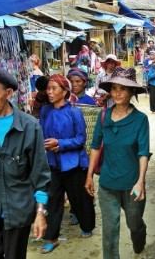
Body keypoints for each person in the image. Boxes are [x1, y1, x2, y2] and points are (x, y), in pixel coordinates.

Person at [0, 66, 51, 259]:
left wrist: (40, 214)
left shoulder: (29, 127)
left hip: (18, 212)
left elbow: (40, 176)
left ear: (9, 93)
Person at [84, 66, 150, 259]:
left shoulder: (140, 120)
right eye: (113, 88)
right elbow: (95, 146)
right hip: (108, 183)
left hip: (132, 184)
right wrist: (89, 176)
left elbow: (143, 152)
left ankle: (140, 239)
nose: (117, 93)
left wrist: (140, 182)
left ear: (132, 91)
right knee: (110, 230)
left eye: (123, 88)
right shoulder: (103, 116)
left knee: (134, 223)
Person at [39, 74, 96, 253]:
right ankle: (51, 237)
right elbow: (41, 133)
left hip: (73, 163)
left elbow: (81, 139)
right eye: (48, 88)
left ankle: (87, 225)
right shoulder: (45, 111)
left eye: (54, 88)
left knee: (79, 198)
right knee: (53, 201)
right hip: (52, 163)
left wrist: (60, 144)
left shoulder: (74, 112)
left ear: (65, 92)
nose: (50, 92)